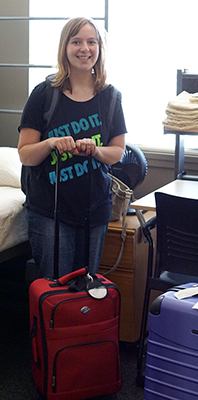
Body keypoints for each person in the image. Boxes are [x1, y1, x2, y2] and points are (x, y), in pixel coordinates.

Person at [18, 17, 127, 278]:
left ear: (100, 48)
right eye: (76, 41)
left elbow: (117, 152)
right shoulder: (44, 94)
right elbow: (25, 154)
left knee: (85, 293)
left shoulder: (111, 97)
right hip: (50, 212)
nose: (84, 49)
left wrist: (95, 150)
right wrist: (52, 143)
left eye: (91, 42)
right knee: (55, 294)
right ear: (64, 47)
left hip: (95, 210)